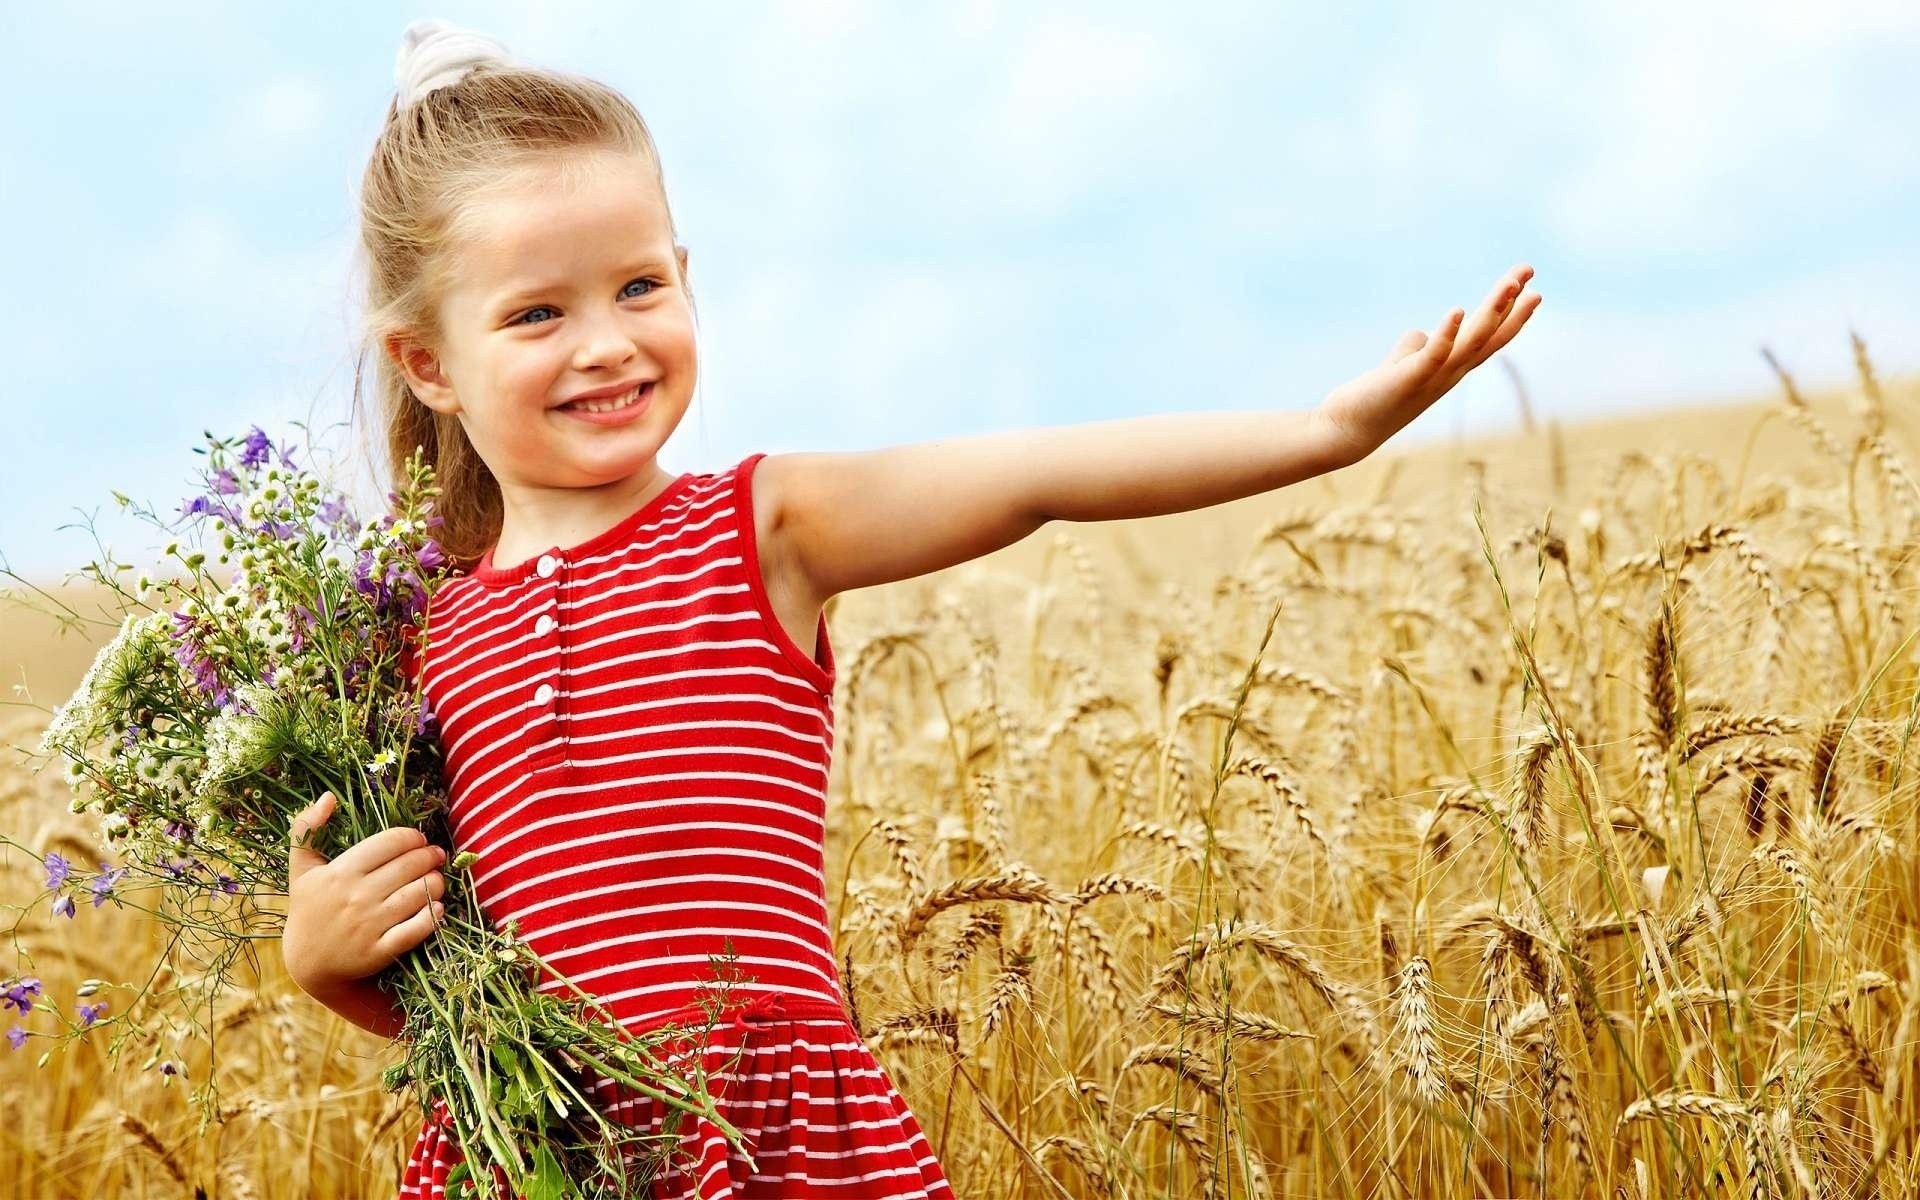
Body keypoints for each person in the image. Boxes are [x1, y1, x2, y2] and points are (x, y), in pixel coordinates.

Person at [277, 16, 1541, 1200]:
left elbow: (1039, 479)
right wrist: (324, 964)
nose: (605, 342)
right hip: (544, 1150)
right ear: (428, 361)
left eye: (640, 288)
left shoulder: (760, 526)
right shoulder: (409, 637)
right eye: (538, 314)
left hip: (773, 1137)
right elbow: (450, 993)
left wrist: (1325, 432)